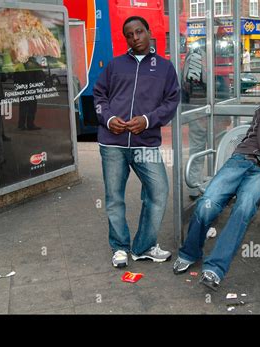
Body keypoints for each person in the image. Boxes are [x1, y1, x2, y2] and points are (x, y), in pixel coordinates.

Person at [172, 75, 260, 290]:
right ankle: (190, 252)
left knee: (244, 210)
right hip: (241, 161)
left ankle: (215, 269)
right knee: (207, 203)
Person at [93, 16, 180, 268]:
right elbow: (99, 96)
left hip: (145, 142)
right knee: (114, 197)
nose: (135, 38)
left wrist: (147, 120)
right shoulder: (115, 65)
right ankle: (119, 247)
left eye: (139, 32)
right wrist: (108, 120)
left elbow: (170, 103)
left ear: (149, 32)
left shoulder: (164, 68)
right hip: (113, 143)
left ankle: (143, 246)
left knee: (158, 191)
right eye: (129, 35)